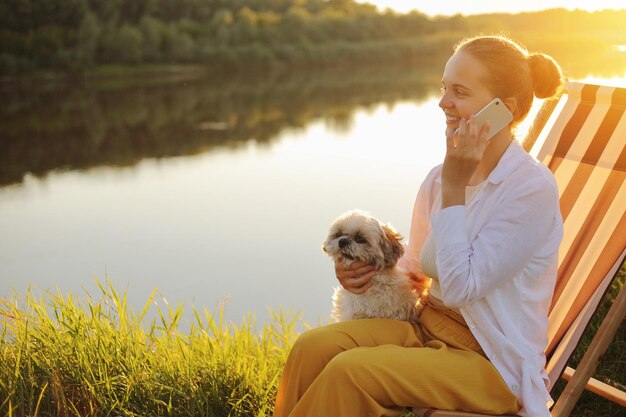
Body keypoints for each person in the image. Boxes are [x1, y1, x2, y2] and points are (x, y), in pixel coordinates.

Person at [273, 35, 564, 417]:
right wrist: (363, 276)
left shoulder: (530, 189)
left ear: (503, 109)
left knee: (349, 373)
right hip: (425, 329)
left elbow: (461, 287)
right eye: (445, 88)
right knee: (311, 349)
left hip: (491, 362)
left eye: (459, 91)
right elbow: (413, 269)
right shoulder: (438, 178)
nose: (443, 102)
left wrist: (456, 186)